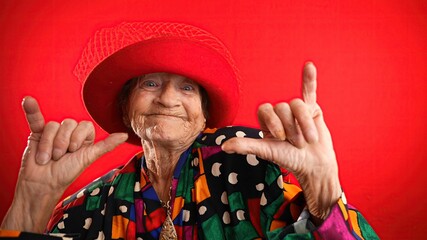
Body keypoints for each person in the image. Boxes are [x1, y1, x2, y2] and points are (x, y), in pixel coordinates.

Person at [0, 22, 378, 239]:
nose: (167, 99)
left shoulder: (247, 166)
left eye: (186, 87)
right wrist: (32, 204)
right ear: (126, 106)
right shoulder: (89, 205)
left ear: (205, 113)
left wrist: (325, 191)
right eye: (150, 84)